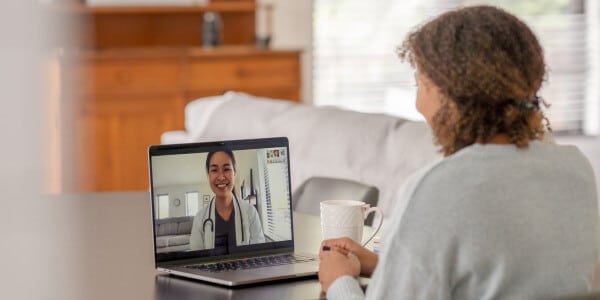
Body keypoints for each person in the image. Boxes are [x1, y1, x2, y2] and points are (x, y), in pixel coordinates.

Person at [318, 5, 599, 300]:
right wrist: (387, 266)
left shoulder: (436, 187)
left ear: (450, 99)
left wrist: (339, 281)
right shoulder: (576, 170)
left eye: (421, 86)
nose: (418, 104)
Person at [190, 150, 265, 253]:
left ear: (234, 173)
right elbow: (196, 261)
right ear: (208, 175)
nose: (221, 177)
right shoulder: (200, 218)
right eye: (214, 170)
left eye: (226, 169)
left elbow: (259, 254)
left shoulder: (250, 213)